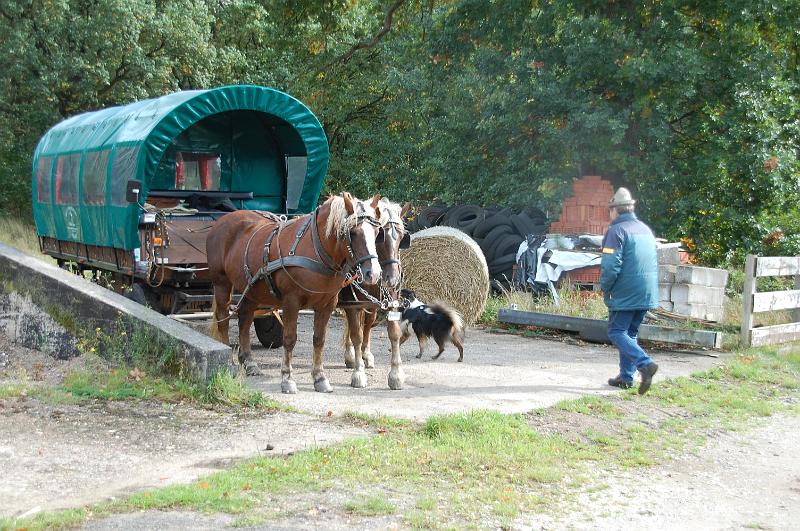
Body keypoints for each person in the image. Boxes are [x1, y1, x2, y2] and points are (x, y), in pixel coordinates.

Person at [600, 187, 660, 394]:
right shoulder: (644, 229)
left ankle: (645, 364)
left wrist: (605, 288)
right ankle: (626, 378)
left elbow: (610, 266)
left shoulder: (616, 231)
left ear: (615, 210)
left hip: (625, 293)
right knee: (630, 334)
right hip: (646, 293)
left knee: (616, 332)